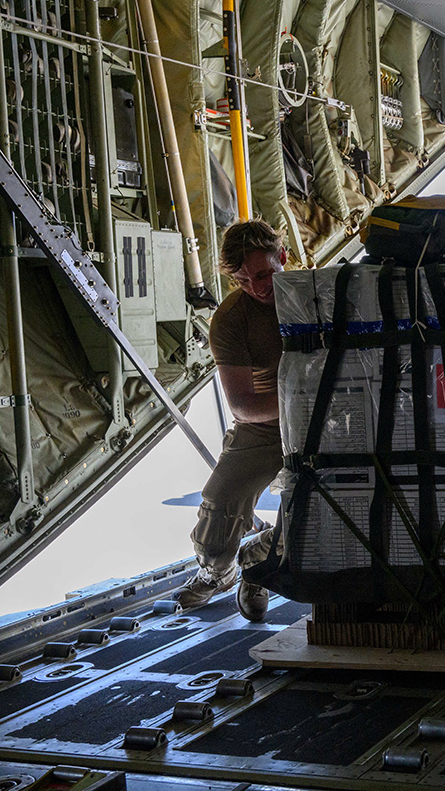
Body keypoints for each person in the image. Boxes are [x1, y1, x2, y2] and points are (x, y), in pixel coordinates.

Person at [170, 219, 286, 622]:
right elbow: (243, 407)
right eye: (243, 281)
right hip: (266, 424)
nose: (256, 287)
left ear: (282, 256)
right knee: (217, 515)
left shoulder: (319, 294)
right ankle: (218, 573)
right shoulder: (231, 319)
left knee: (327, 514)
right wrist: (300, 400)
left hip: (328, 424)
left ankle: (257, 561)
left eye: (263, 274)